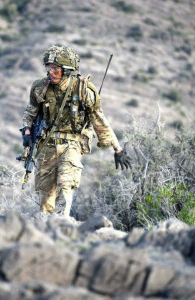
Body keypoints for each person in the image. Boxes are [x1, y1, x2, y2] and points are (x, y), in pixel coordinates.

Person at [20, 45, 131, 216]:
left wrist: (117, 149)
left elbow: (98, 120)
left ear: (67, 70)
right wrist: (27, 133)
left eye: (56, 70)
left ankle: (62, 224)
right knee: (45, 199)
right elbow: (30, 113)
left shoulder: (83, 89)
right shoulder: (40, 88)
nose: (51, 73)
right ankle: (45, 233)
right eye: (49, 69)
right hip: (47, 146)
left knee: (65, 187)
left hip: (72, 145)